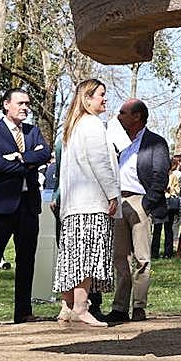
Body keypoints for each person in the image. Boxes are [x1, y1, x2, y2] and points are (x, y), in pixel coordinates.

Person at [0, 88, 53, 326]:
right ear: (6, 104)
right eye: (20, 103)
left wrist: (18, 157)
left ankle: (23, 312)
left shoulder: (33, 131)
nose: (25, 107)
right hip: (0, 208)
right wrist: (30, 159)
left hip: (28, 207)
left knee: (27, 259)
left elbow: (46, 154)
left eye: (27, 104)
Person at [53, 78, 119, 328]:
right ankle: (81, 306)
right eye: (101, 94)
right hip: (91, 203)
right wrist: (113, 194)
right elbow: (100, 164)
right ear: (87, 98)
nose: (105, 98)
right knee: (87, 256)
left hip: (74, 206)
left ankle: (69, 305)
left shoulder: (72, 126)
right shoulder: (91, 123)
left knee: (73, 255)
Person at [105, 98, 170, 324]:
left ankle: (139, 307)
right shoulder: (118, 142)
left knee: (142, 258)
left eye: (123, 112)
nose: (118, 116)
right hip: (118, 202)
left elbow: (161, 175)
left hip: (140, 202)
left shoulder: (156, 142)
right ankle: (119, 308)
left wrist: (147, 203)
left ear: (137, 117)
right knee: (120, 257)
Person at [153, 154, 181, 259]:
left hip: (169, 204)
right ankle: (154, 252)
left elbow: (177, 190)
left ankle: (168, 252)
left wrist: (171, 189)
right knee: (157, 229)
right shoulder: (157, 176)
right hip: (158, 203)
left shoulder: (173, 176)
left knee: (168, 229)